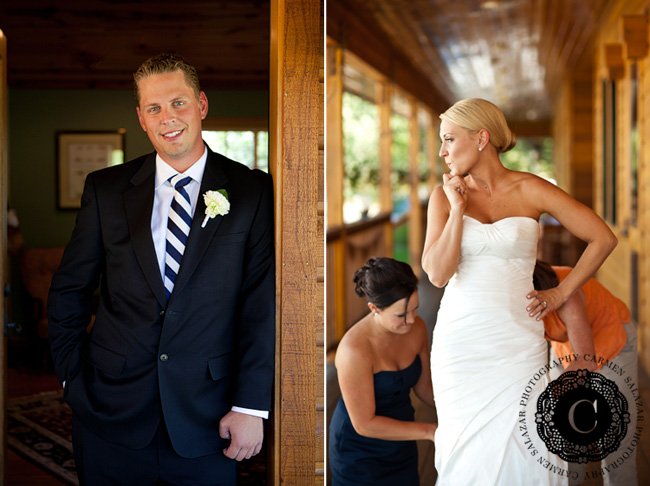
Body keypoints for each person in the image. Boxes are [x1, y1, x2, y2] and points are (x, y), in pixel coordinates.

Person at [48, 53, 275, 485]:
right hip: (107, 414)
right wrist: (70, 380)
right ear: (141, 118)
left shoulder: (252, 191)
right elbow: (69, 290)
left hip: (208, 417)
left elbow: (260, 305)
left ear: (201, 105)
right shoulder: (105, 189)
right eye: (154, 108)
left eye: (178, 103)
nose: (168, 118)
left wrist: (250, 406)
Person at [421, 98, 617, 485]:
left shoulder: (532, 188)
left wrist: (561, 294)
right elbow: (438, 275)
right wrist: (458, 211)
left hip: (518, 341)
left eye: (448, 139)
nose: (442, 151)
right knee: (467, 449)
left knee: (530, 447)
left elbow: (602, 238)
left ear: (481, 138)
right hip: (461, 345)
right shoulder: (443, 198)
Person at [329, 257, 437, 486]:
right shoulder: (353, 350)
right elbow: (364, 423)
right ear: (374, 308)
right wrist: (430, 431)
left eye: (415, 309)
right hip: (360, 448)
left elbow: (426, 389)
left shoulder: (417, 327)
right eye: (400, 315)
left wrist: (465, 410)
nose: (410, 320)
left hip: (403, 435)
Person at [533, 259, 638, 486]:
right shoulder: (513, 298)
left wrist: (550, 392)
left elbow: (586, 359)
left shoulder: (566, 293)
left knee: (614, 437)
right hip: (568, 348)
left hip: (609, 342)